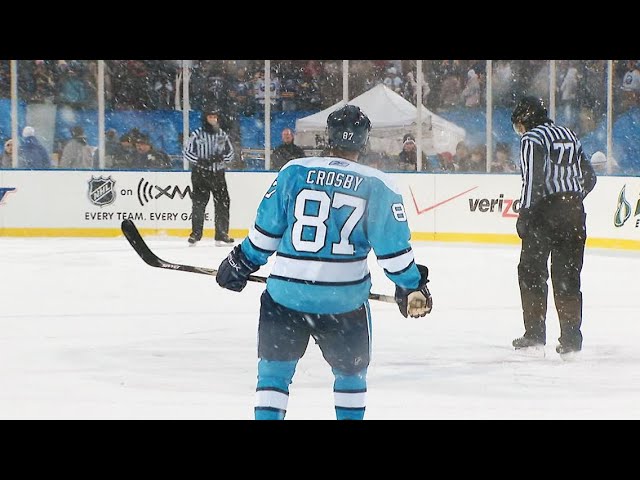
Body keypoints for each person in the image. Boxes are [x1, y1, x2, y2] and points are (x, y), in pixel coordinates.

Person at [215, 104, 433, 420]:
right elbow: (394, 254)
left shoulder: (293, 171)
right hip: (344, 302)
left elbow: (264, 236)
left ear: (327, 136)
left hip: (285, 299)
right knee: (349, 377)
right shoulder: (378, 184)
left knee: (273, 377)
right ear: (364, 140)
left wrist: (240, 262)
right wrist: (411, 285)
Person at [510, 96, 597, 357]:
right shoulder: (568, 133)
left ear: (525, 119)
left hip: (543, 216)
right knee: (568, 277)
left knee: (532, 273)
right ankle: (571, 339)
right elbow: (590, 177)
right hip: (574, 215)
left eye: (518, 125)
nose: (519, 132)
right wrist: (572, 198)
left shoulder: (532, 139)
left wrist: (525, 214)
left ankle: (534, 333)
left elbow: (533, 180)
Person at [183, 107, 235, 246]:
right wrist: (200, 160)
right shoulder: (197, 134)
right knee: (199, 204)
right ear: (205, 118)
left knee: (222, 204)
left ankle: (221, 233)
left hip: (218, 174)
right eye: (210, 117)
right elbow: (187, 152)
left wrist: (221, 158)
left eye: (215, 117)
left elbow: (231, 153)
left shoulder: (222, 135)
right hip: (200, 173)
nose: (213, 119)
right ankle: (196, 234)